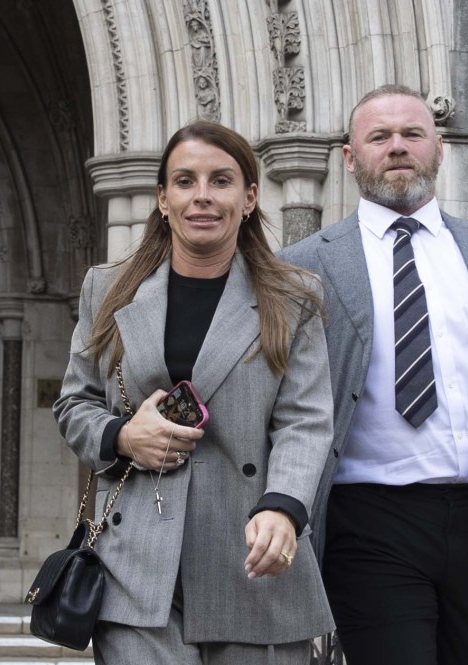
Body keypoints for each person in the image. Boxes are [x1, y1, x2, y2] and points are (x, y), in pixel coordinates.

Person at [281, 84, 468, 664]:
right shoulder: (305, 266)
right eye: (380, 137)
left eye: (412, 134)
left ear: (439, 149)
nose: (397, 148)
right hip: (367, 520)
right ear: (349, 158)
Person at [54, 120, 335, 665]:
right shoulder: (108, 290)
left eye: (221, 181)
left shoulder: (294, 298)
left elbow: (305, 419)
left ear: (250, 197)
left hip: (252, 552)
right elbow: (74, 403)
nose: (201, 197)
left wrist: (284, 508)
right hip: (135, 563)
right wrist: (122, 435)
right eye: (184, 181)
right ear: (162, 198)